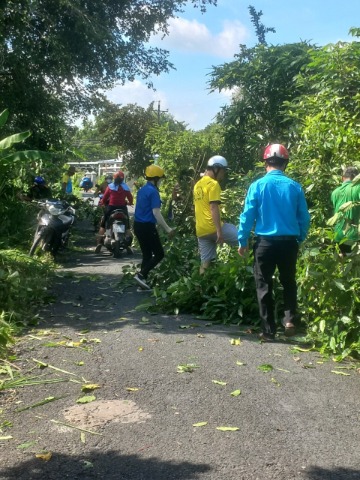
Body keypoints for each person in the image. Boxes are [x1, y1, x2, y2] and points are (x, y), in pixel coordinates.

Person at [238, 144, 310, 341]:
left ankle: (269, 331)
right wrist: (300, 237)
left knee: (264, 285)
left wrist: (242, 239)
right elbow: (304, 217)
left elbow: (247, 215)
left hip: (265, 244)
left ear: (265, 163)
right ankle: (289, 319)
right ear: (285, 163)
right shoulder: (295, 186)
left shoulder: (258, 185)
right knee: (288, 281)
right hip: (288, 243)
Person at [193, 155, 238, 274]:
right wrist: (219, 232)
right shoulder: (213, 184)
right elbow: (213, 207)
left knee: (205, 264)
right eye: (223, 171)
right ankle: (246, 271)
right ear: (216, 169)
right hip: (213, 227)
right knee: (243, 239)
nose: (223, 175)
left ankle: (199, 288)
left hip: (201, 231)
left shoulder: (197, 185)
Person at [133, 165, 175, 290]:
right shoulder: (153, 192)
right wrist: (168, 229)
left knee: (147, 255)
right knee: (159, 254)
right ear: (156, 178)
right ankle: (141, 275)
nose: (161, 181)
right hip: (147, 227)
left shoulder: (142, 190)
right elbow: (156, 213)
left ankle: (141, 282)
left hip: (138, 226)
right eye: (161, 179)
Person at [95, 171, 133, 253]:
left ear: (114, 178)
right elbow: (130, 198)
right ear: (123, 179)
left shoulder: (110, 187)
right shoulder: (125, 187)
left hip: (111, 208)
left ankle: (99, 243)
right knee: (127, 226)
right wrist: (130, 202)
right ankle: (128, 245)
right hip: (122, 208)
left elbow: (104, 198)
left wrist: (103, 203)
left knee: (104, 224)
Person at [331, 166, 360, 255]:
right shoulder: (358, 188)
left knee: (343, 265)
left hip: (338, 236)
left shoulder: (335, 192)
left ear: (342, 178)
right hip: (355, 236)